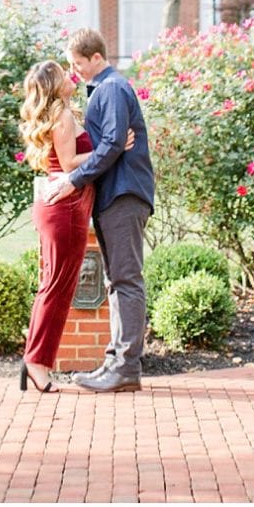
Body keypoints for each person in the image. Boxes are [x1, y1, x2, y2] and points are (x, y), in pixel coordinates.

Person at [40, 27, 154, 393]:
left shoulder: (113, 88)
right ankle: (116, 362)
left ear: (97, 58)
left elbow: (112, 145)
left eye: (79, 64)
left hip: (123, 195)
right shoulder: (102, 90)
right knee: (116, 281)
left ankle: (125, 367)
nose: (76, 72)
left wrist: (73, 180)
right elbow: (111, 145)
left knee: (125, 279)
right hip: (113, 195)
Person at [17, 59, 134, 394]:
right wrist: (110, 149)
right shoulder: (63, 116)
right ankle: (38, 364)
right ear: (55, 84)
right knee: (56, 289)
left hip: (62, 206)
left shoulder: (61, 114)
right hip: (65, 209)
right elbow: (69, 164)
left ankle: (35, 360)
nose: (70, 76)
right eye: (62, 73)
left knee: (53, 288)